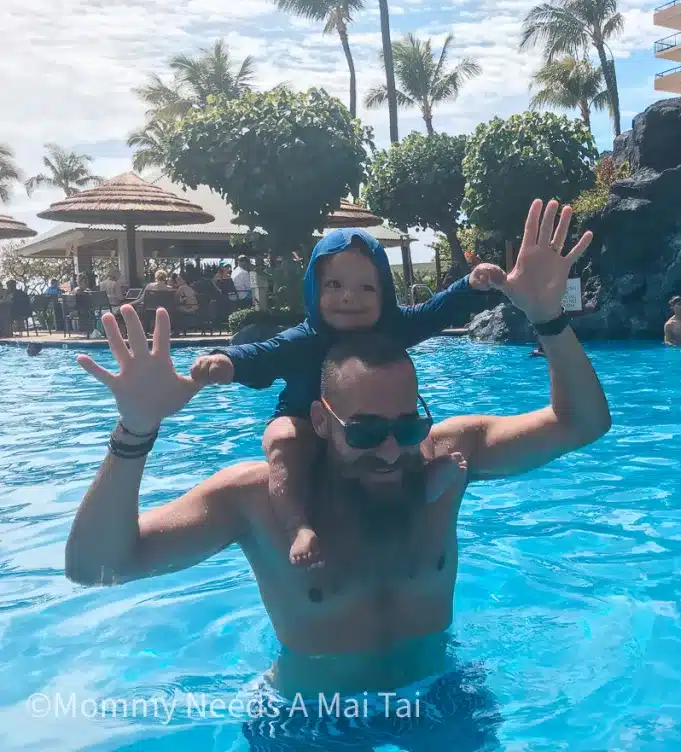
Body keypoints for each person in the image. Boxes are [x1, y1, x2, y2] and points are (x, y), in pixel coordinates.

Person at [64, 199, 609, 711]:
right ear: (321, 420)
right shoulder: (255, 498)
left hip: (445, 700)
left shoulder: (446, 455)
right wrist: (135, 430)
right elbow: (96, 568)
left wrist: (549, 319)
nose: (394, 450)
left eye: (409, 424)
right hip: (313, 718)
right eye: (367, 433)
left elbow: (581, 423)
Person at [187, 227, 498, 569]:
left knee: (403, 424)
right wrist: (227, 362)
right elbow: (264, 355)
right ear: (314, 290)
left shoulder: (392, 326)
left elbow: (435, 312)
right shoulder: (304, 338)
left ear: (385, 293)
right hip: (304, 416)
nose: (350, 297)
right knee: (281, 439)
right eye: (334, 286)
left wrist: (469, 286)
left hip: (370, 424)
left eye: (366, 287)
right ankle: (298, 526)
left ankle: (423, 484)